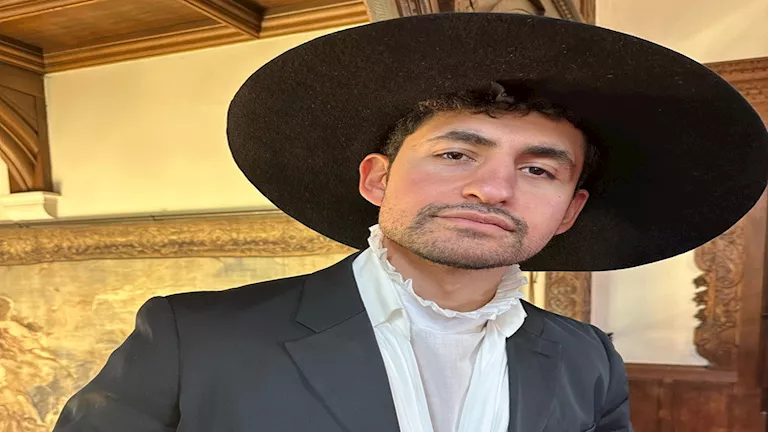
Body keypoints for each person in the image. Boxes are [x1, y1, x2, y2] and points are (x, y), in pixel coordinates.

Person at [52, 12, 768, 432]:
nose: (493, 188)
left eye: (539, 170)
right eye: (457, 154)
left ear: (568, 212)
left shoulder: (589, 361)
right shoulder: (193, 337)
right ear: (377, 179)